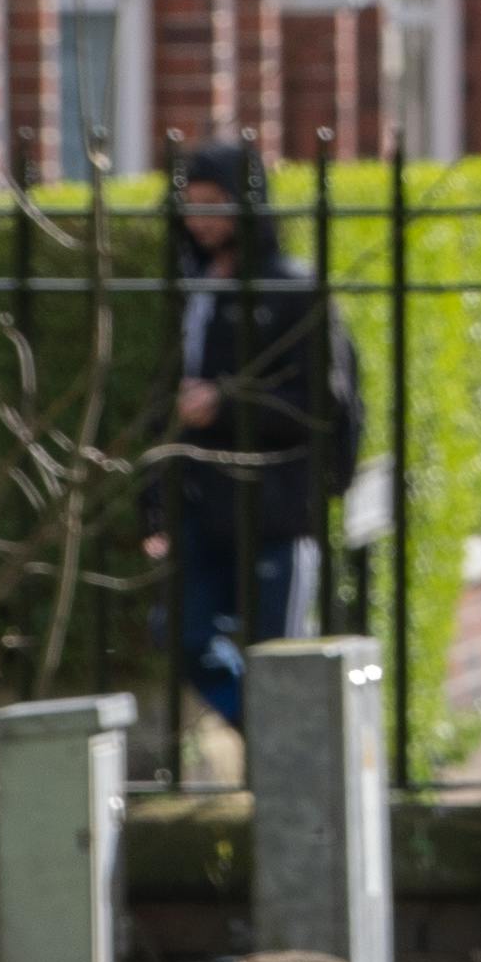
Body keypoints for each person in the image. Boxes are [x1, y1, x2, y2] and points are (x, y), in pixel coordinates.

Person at [154, 137, 358, 733]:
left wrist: (225, 402)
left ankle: (284, 747)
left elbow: (324, 404)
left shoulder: (293, 290)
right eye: (192, 205)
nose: (201, 220)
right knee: (181, 635)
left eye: (215, 204)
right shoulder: (190, 290)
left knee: (279, 653)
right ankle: (277, 736)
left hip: (277, 504)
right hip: (202, 498)